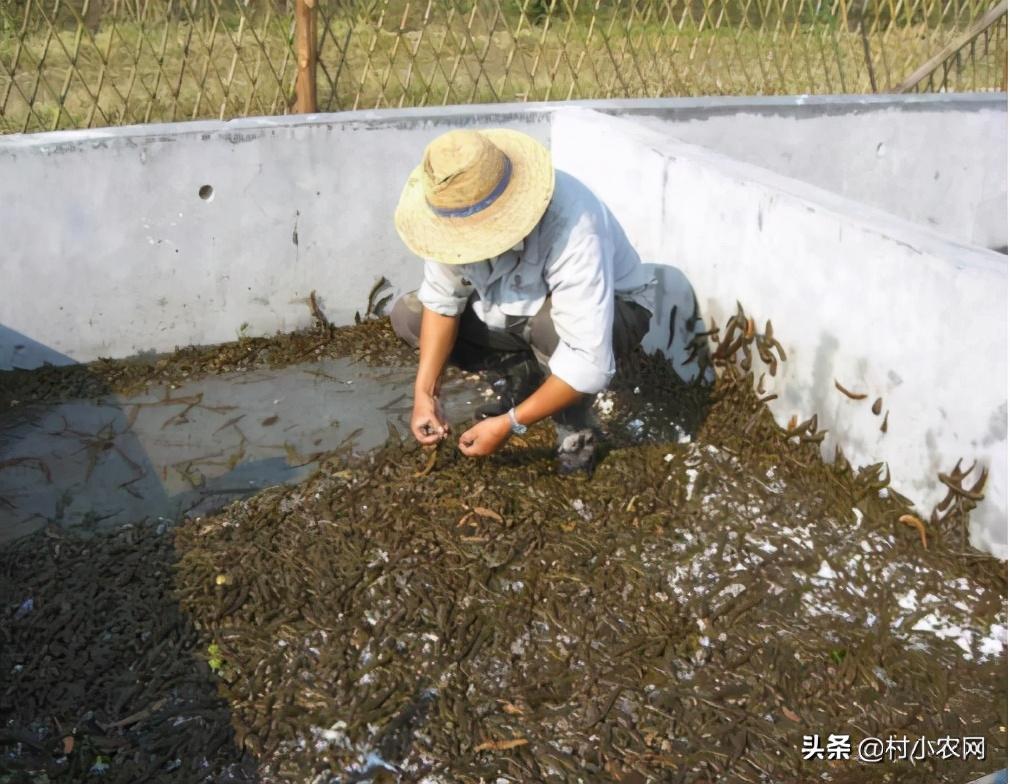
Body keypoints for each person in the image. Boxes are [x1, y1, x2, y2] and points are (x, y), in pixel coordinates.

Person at [390, 128, 654, 474]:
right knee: (409, 315)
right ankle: (520, 375)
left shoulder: (573, 223)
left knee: (551, 329)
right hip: (512, 307)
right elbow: (443, 301)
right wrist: (425, 393)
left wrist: (511, 425)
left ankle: (574, 430)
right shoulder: (450, 213)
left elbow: (588, 360)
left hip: (616, 311)